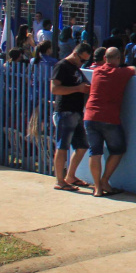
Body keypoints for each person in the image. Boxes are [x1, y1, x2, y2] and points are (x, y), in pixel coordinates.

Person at [83, 48, 136, 197]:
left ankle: (97, 188)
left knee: (95, 152)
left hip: (90, 116)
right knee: (118, 150)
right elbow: (135, 70)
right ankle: (104, 180)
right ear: (118, 58)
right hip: (109, 118)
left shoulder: (97, 72)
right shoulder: (121, 73)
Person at [50, 42, 93, 192]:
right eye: (82, 60)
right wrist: (78, 89)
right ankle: (60, 181)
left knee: (82, 146)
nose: (83, 63)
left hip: (76, 112)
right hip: (65, 111)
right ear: (75, 54)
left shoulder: (75, 67)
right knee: (62, 147)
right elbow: (55, 89)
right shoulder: (62, 66)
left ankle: (70, 176)